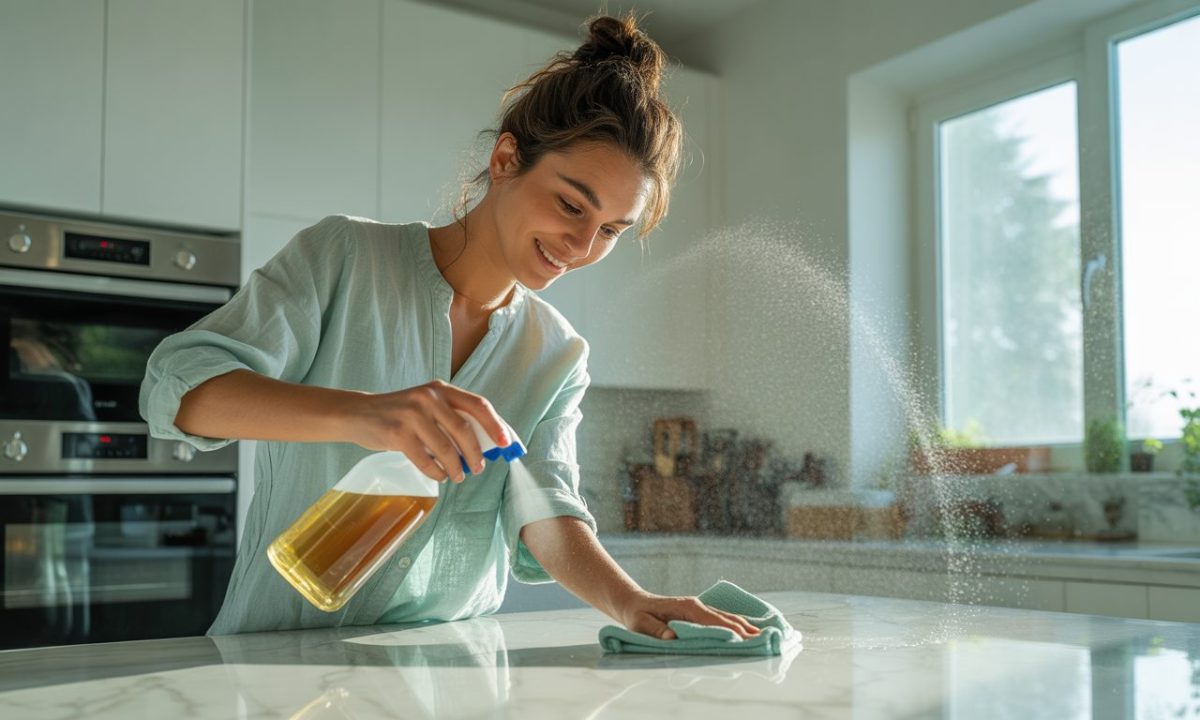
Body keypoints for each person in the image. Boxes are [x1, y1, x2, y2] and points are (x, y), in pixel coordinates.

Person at [140, 13, 759, 641]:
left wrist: (630, 602)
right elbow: (179, 391)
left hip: (443, 675)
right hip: (274, 662)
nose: (580, 245)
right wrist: (365, 414)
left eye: (610, 231)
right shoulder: (343, 259)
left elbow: (543, 505)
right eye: (571, 205)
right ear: (506, 158)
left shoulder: (557, 354)